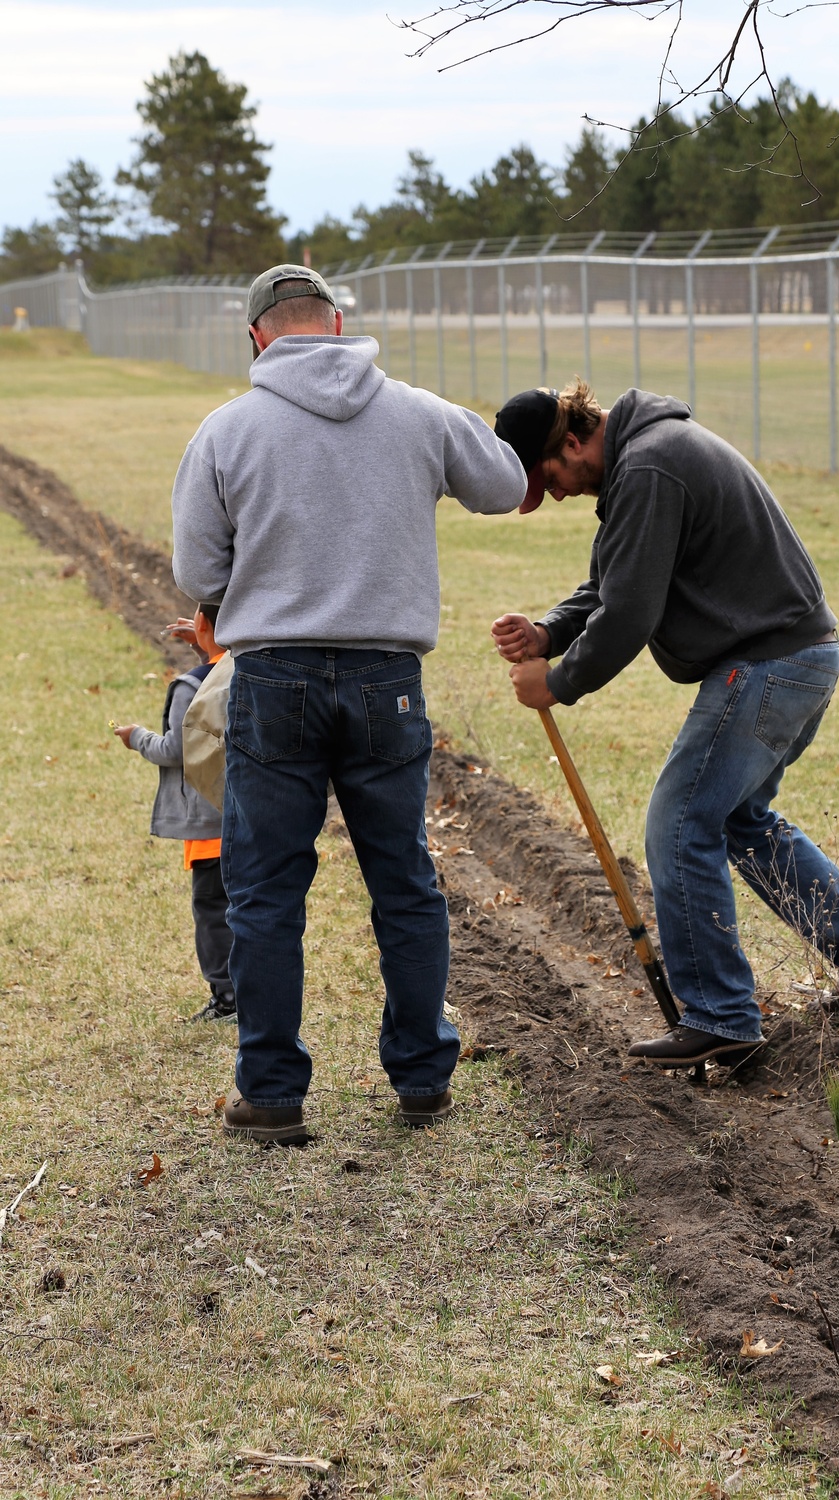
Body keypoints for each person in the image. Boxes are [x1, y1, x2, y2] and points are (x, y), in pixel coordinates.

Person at [171, 264, 526, 1144]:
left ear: (257, 336)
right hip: (387, 681)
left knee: (265, 893)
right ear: (338, 323)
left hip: (273, 679)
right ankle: (421, 1078)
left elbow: (197, 573)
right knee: (404, 884)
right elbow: (505, 485)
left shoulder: (226, 430)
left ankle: (273, 1093)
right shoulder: (417, 411)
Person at [491, 379, 839, 1068]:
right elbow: (614, 582)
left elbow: (630, 614)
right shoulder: (647, 458)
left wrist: (559, 682)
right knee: (737, 820)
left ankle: (721, 1014)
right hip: (797, 656)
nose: (560, 495)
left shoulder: (650, 465)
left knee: (681, 819)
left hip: (769, 662)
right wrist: (550, 632)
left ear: (572, 442)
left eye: (551, 478)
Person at [114, 605, 235, 1023]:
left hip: (210, 824)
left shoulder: (190, 686)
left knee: (212, 911)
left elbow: (176, 750)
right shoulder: (255, 666)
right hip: (252, 817)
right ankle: (257, 989)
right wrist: (207, 645)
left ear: (201, 625)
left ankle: (227, 1000)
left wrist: (137, 738)